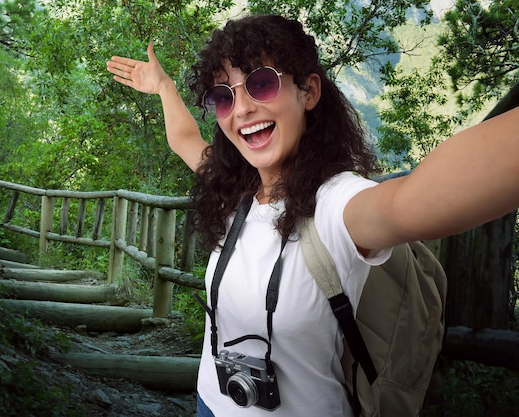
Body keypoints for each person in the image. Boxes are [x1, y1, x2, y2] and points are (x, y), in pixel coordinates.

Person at [107, 14, 519, 417]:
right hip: (210, 403)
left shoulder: (337, 206)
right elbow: (185, 139)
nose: (242, 109)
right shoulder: (237, 192)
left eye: (261, 83)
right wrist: (162, 87)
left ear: (308, 91)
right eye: (223, 96)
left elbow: (411, 200)